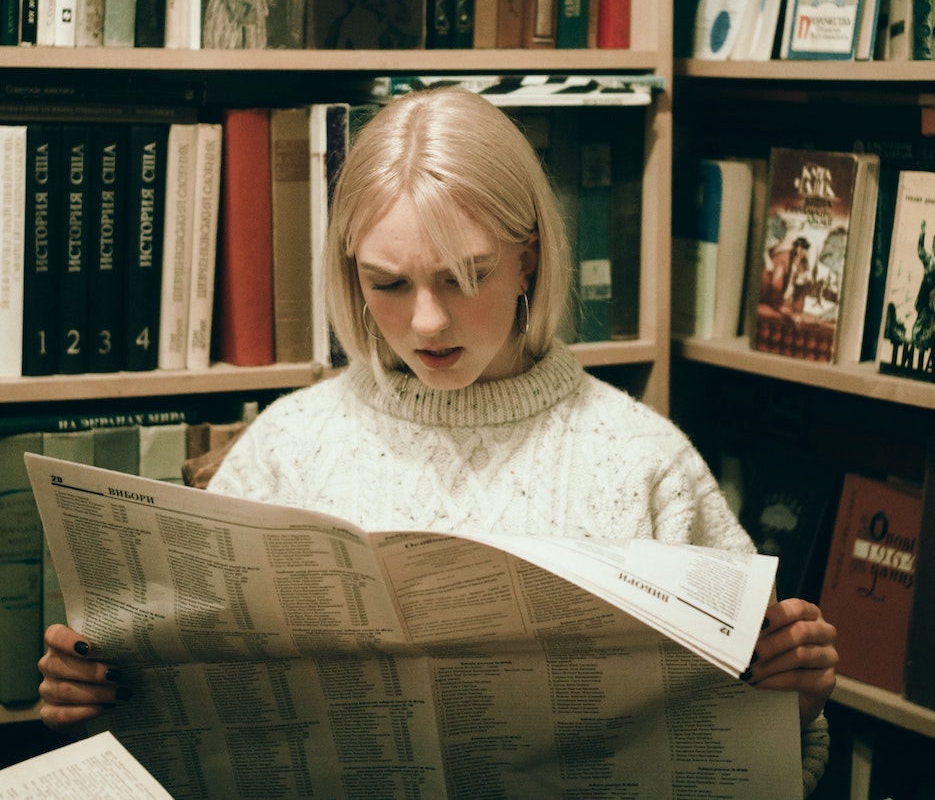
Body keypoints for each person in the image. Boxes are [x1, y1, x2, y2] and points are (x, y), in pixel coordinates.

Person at [37, 87, 837, 796]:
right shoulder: (285, 447)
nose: (426, 321)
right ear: (351, 274)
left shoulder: (645, 460)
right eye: (388, 283)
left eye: (464, 274)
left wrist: (792, 705)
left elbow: (745, 754)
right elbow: (181, 735)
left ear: (528, 260)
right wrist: (97, 694)